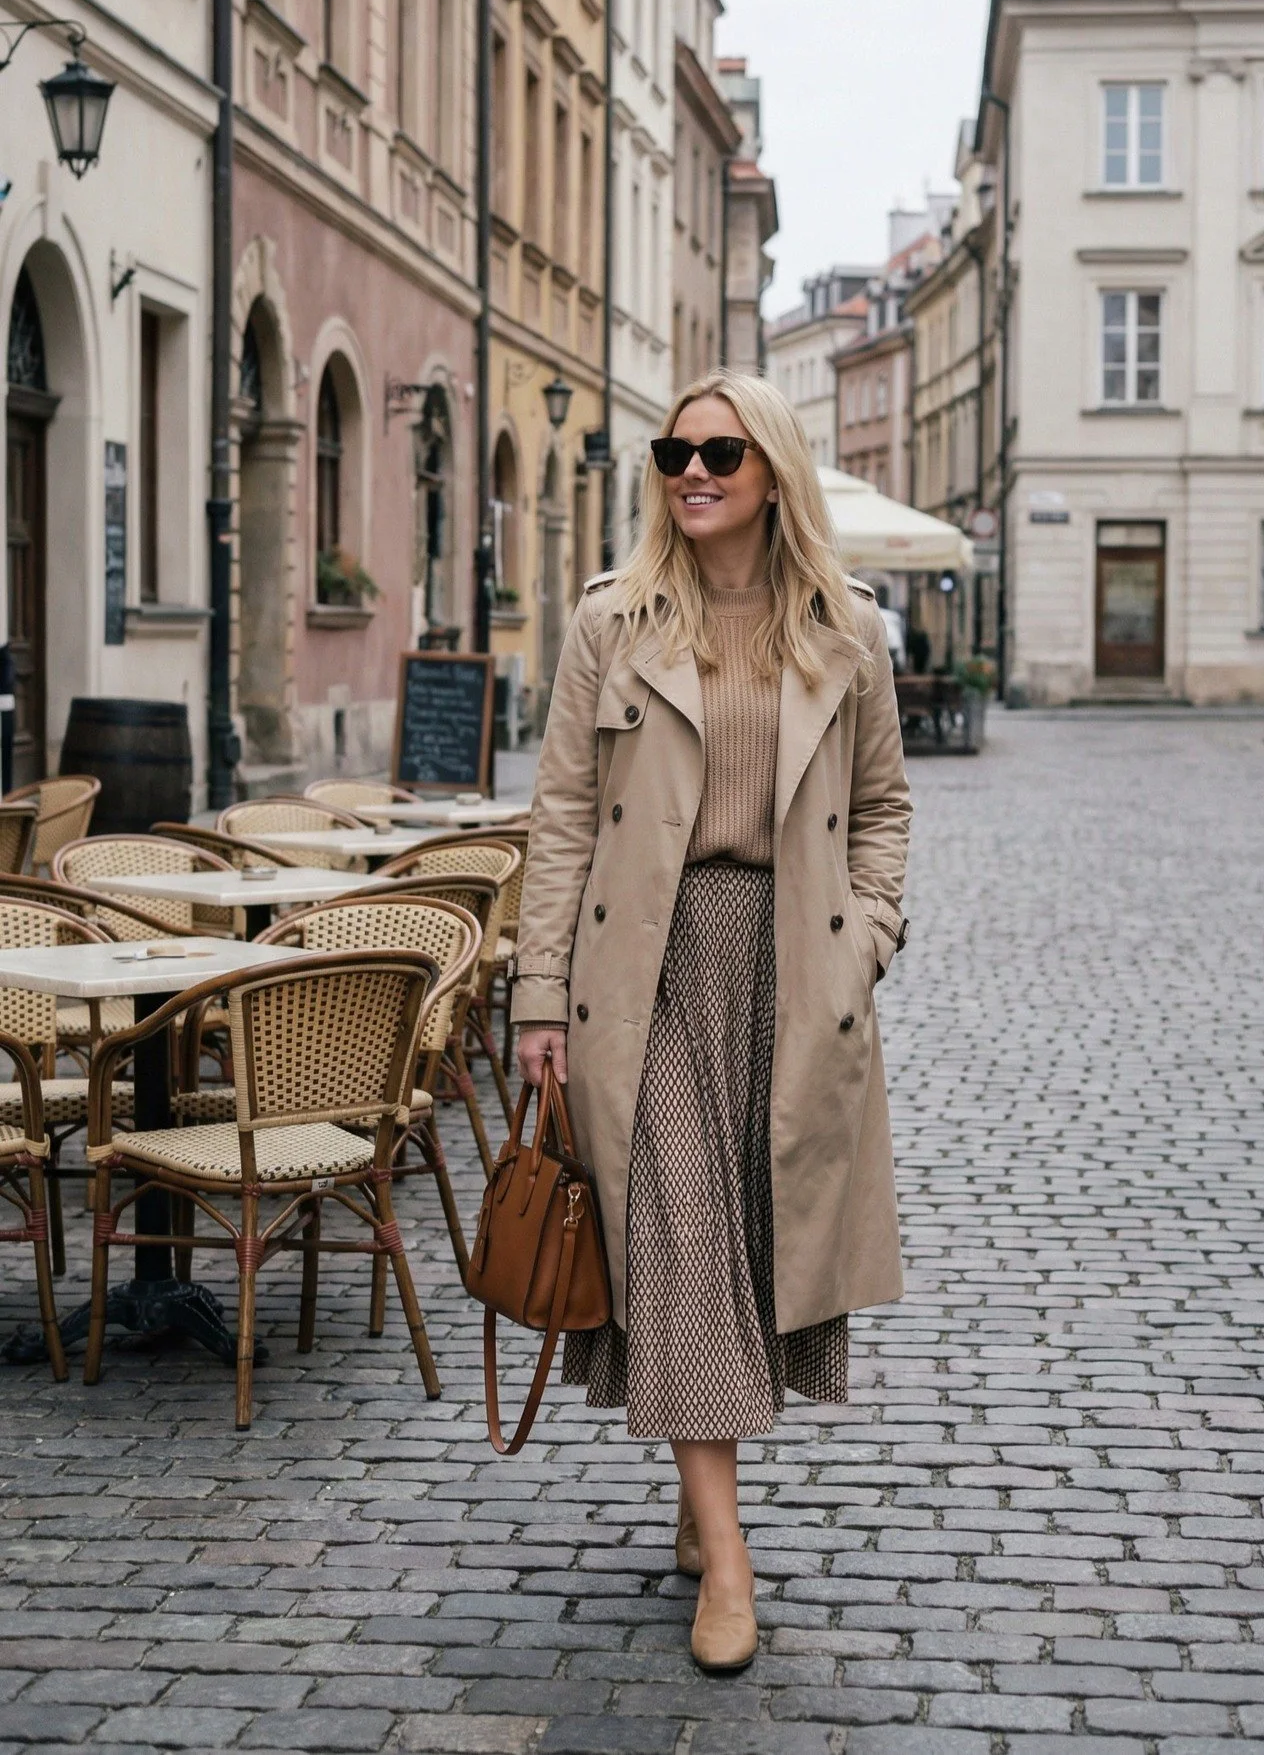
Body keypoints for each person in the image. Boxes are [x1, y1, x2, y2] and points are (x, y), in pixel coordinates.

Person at [511, 371, 911, 1673]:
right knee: (681, 1236)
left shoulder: (845, 628)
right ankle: (729, 1566)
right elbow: (564, 815)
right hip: (647, 969)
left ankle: (701, 1498)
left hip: (793, 966)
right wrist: (535, 996)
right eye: (675, 449)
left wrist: (867, 938)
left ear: (772, 472)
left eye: (720, 452)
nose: (692, 469)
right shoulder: (611, 625)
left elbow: (887, 810)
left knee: (745, 1238)